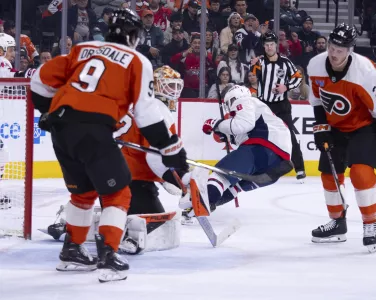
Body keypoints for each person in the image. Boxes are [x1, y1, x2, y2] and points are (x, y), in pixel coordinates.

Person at [30, 9, 188, 283]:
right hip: (94, 130)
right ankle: (108, 257)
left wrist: (48, 112)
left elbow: (39, 80)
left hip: (61, 130)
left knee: (83, 194)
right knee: (118, 194)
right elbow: (147, 113)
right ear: (135, 35)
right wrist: (173, 151)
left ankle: (72, 252)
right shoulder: (138, 61)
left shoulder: (82, 49)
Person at [45, 66, 187, 254]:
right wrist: (179, 179)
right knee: (154, 224)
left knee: (110, 205)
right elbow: (155, 159)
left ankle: (73, 227)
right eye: (168, 85)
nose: (173, 90)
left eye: (176, 86)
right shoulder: (156, 110)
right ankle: (119, 238)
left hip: (104, 172)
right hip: (129, 179)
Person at [308, 23, 376, 252]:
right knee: (329, 175)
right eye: (331, 47)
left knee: (361, 173)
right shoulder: (316, 65)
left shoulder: (365, 71)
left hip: (363, 127)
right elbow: (318, 102)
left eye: (340, 49)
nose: (334, 53)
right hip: (335, 128)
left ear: (350, 50)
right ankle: (338, 223)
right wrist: (321, 127)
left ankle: (370, 224)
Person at [180, 85, 293, 218]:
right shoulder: (260, 110)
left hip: (261, 149)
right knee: (235, 185)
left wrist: (215, 123)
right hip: (277, 164)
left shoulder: (245, 101)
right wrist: (226, 135)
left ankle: (203, 204)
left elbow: (242, 125)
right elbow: (243, 133)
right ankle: (211, 203)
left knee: (220, 175)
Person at [251, 32, 306, 182]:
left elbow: (298, 78)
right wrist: (253, 65)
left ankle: (300, 168)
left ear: (276, 45)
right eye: (266, 45)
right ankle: (257, 167)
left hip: (281, 105)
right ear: (263, 46)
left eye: (271, 44)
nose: (269, 47)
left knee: (289, 135)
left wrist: (285, 87)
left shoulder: (285, 62)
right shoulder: (260, 62)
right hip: (264, 105)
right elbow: (251, 76)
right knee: (259, 135)